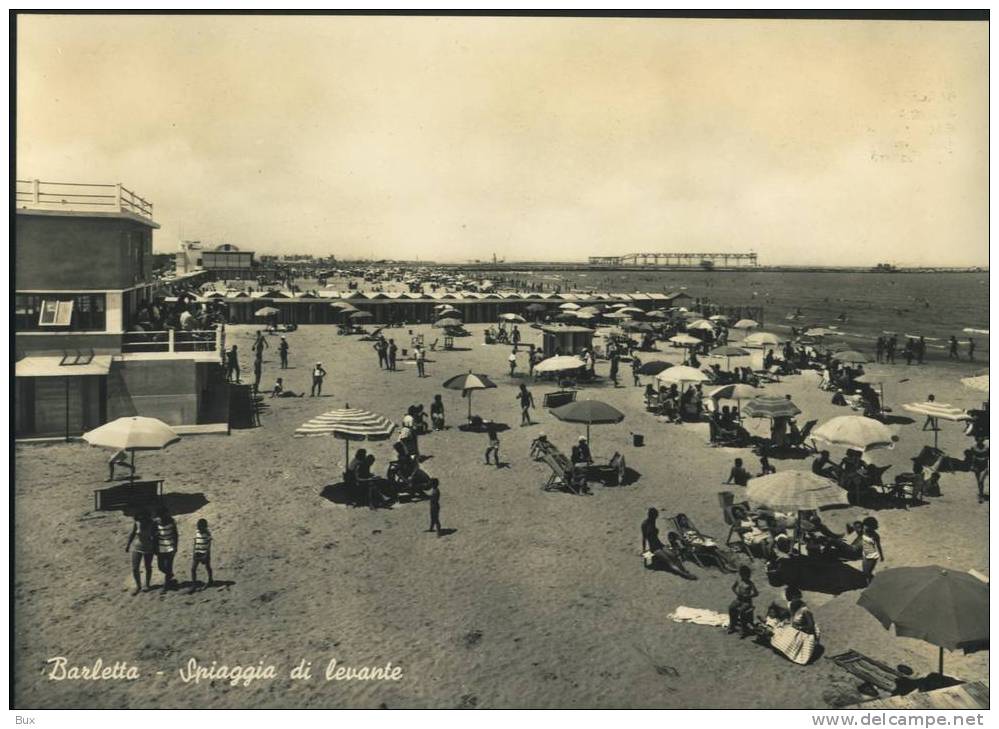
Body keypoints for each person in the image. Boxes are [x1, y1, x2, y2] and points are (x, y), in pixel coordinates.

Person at [641, 507, 695, 579]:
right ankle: (684, 574)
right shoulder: (645, 524)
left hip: (660, 545)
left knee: (674, 557)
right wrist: (644, 551)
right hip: (654, 548)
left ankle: (684, 571)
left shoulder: (652, 521)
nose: (656, 517)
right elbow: (644, 538)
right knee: (670, 561)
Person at [125, 508, 157, 595]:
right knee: (135, 568)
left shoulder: (152, 523)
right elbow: (132, 533)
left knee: (148, 566)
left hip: (149, 547)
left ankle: (147, 585)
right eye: (139, 518)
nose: (141, 519)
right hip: (137, 547)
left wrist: (155, 548)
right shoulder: (137, 523)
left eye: (142, 517)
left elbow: (155, 537)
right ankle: (138, 586)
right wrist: (128, 545)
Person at [728, 565, 759, 637]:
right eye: (742, 574)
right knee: (731, 607)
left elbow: (756, 593)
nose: (743, 576)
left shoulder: (750, 583)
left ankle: (744, 629)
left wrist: (748, 596)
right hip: (739, 599)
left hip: (747, 601)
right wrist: (737, 593)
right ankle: (732, 625)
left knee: (742, 611)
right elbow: (733, 587)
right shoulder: (738, 581)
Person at [189, 518, 213, 593]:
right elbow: (195, 543)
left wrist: (206, 554)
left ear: (204, 527)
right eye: (198, 526)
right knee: (193, 569)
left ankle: (210, 579)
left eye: (200, 526)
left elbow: (209, 545)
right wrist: (194, 552)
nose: (198, 528)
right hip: (197, 553)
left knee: (207, 567)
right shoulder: (197, 532)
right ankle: (194, 584)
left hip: (204, 553)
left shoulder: (207, 533)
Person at [861, 517, 884, 584]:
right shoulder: (863, 531)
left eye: (867, 526)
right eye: (865, 525)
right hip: (865, 555)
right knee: (865, 573)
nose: (865, 527)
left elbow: (878, 546)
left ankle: (870, 585)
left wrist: (882, 556)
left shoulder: (875, 535)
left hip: (872, 556)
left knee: (867, 573)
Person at [969, 437, 989, 503]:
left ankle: (981, 496)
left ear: (983, 440)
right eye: (978, 440)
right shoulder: (973, 448)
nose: (980, 441)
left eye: (981, 440)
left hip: (984, 467)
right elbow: (972, 458)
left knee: (981, 480)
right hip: (977, 467)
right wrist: (972, 466)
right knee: (979, 482)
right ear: (976, 440)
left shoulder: (987, 448)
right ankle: (981, 493)